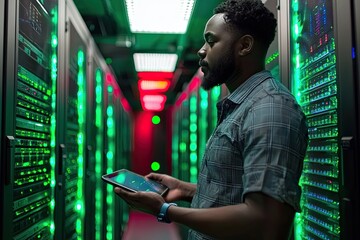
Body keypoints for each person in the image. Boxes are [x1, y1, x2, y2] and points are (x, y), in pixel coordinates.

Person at [114, 0, 308, 239]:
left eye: (211, 40)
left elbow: (264, 222)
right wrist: (183, 190)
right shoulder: (242, 105)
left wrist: (164, 210)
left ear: (244, 45)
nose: (201, 50)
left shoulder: (270, 108)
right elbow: (234, 192)